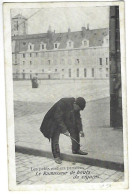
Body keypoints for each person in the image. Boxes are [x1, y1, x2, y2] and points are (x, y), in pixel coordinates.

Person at [40, 97, 88, 164]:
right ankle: (56, 156)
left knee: (75, 129)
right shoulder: (63, 102)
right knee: (55, 137)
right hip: (54, 121)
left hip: (64, 119)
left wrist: (80, 130)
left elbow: (78, 119)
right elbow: (58, 117)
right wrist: (64, 130)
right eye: (78, 108)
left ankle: (76, 149)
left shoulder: (76, 107)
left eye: (79, 110)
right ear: (75, 104)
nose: (78, 110)